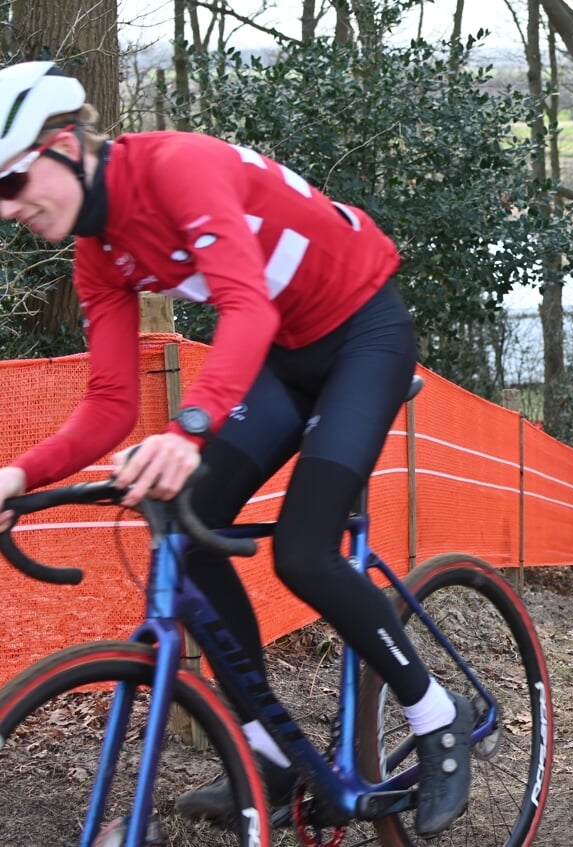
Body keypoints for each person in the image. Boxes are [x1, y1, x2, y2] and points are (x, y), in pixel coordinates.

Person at [0, 61, 471, 835]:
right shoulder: (99, 253)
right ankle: (270, 759)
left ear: (64, 144)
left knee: (303, 550)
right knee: (187, 528)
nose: (9, 207)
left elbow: (243, 302)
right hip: (283, 353)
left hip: (362, 332)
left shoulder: (175, 168)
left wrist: (189, 428)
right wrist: (17, 475)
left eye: (12, 183)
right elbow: (111, 405)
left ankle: (435, 713)